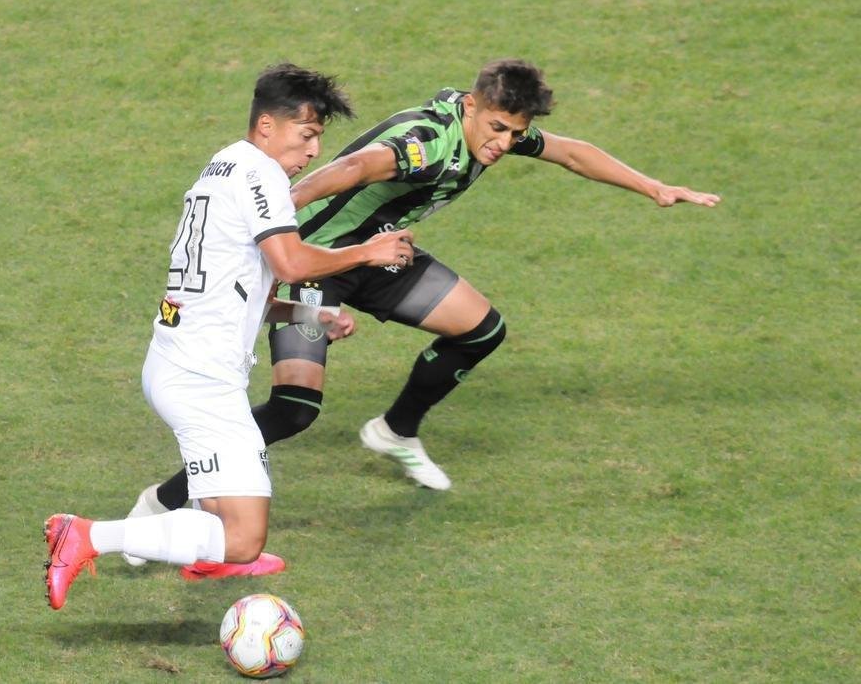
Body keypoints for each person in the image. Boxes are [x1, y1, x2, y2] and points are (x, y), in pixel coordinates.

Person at [124, 58, 720, 568]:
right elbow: (353, 168)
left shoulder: (492, 132)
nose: (503, 144)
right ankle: (165, 500)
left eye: (515, 133)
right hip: (318, 263)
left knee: (481, 328)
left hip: (380, 252)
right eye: (496, 128)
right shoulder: (426, 142)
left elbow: (572, 153)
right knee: (295, 409)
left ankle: (395, 432)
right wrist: (278, 200)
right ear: (473, 104)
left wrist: (654, 187)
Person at [43, 63, 415, 609]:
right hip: (203, 382)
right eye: (306, 135)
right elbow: (289, 261)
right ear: (268, 126)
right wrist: (367, 251)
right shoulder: (261, 177)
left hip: (177, 362)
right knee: (245, 538)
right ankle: (86, 535)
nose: (313, 152)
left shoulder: (222, 166)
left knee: (226, 510)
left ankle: (204, 555)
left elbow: (247, 288)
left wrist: (312, 316)